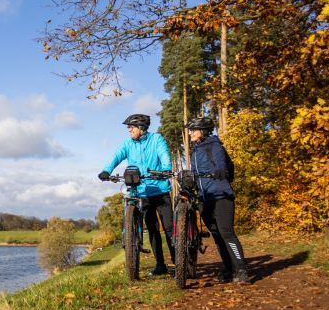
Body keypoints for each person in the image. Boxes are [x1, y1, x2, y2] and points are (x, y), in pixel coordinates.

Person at [99, 114, 175, 276]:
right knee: (153, 229)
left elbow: (164, 154)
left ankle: (178, 262)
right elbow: (116, 155)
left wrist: (166, 168)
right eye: (128, 127)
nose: (129, 130)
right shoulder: (127, 143)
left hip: (160, 189)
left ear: (141, 128)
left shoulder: (156, 139)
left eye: (131, 127)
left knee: (168, 227)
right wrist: (107, 170)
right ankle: (160, 265)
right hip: (141, 192)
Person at [185, 117, 250, 285]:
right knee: (217, 235)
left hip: (221, 195)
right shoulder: (195, 151)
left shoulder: (214, 145)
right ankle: (229, 270)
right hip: (204, 198)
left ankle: (241, 270)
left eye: (193, 129)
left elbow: (220, 160)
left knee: (226, 232)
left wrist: (221, 170)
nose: (190, 132)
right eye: (190, 129)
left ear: (203, 131)